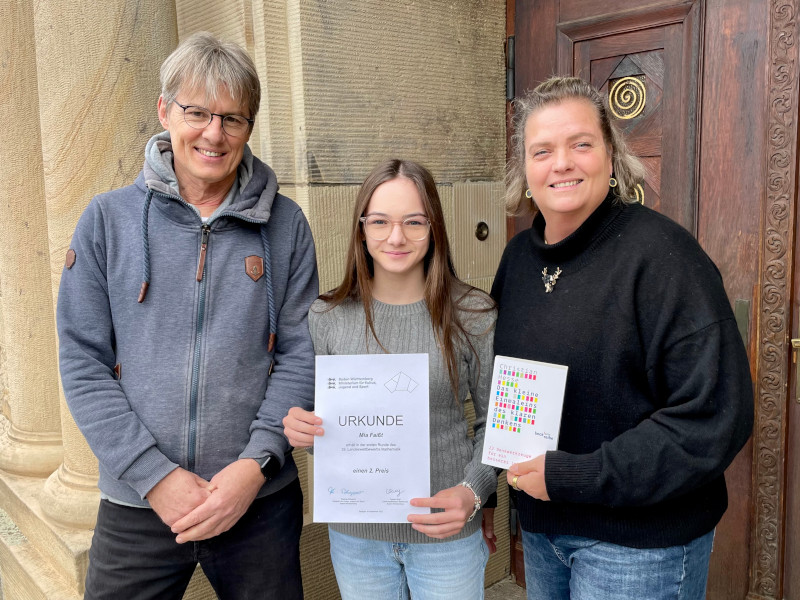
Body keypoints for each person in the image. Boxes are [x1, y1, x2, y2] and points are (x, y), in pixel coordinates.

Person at [57, 32, 317, 599]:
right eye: (196, 112)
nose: (213, 134)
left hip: (257, 502)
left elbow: (301, 354)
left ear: (250, 127)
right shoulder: (107, 221)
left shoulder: (287, 225)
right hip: (136, 503)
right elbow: (82, 362)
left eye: (233, 118)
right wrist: (155, 476)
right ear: (164, 110)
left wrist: (254, 467)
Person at [492, 76, 754, 600]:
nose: (561, 163)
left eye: (581, 144)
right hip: (544, 534)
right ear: (525, 170)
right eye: (541, 150)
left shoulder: (662, 256)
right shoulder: (519, 260)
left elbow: (714, 417)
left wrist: (576, 476)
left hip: (638, 547)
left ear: (612, 158)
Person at [283, 158, 497, 599]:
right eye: (379, 221)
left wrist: (473, 493)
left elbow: (496, 426)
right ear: (361, 229)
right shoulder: (326, 316)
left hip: (445, 533)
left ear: (434, 227)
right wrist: (301, 430)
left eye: (414, 222)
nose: (395, 237)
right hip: (356, 536)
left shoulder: (473, 314)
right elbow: (317, 418)